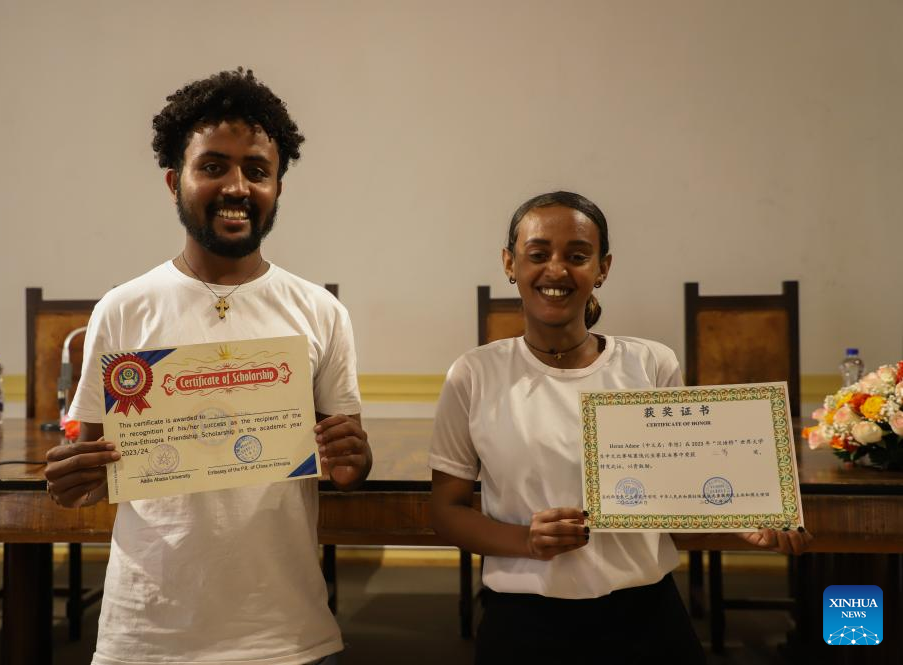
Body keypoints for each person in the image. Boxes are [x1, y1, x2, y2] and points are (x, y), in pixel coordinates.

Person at [43, 68, 372, 665]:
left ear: (278, 186)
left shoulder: (320, 312)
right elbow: (88, 469)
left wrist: (355, 460)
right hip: (147, 636)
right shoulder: (124, 308)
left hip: (286, 634)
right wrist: (72, 478)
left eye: (257, 170)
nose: (237, 186)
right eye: (213, 166)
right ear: (175, 181)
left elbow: (344, 462)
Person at [428, 191, 811, 664]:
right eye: (538, 254)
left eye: (577, 256)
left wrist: (741, 518)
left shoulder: (650, 363)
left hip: (646, 619)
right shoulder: (474, 374)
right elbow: (446, 510)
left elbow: (677, 494)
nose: (556, 270)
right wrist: (523, 540)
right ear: (510, 263)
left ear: (602, 268)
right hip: (523, 623)